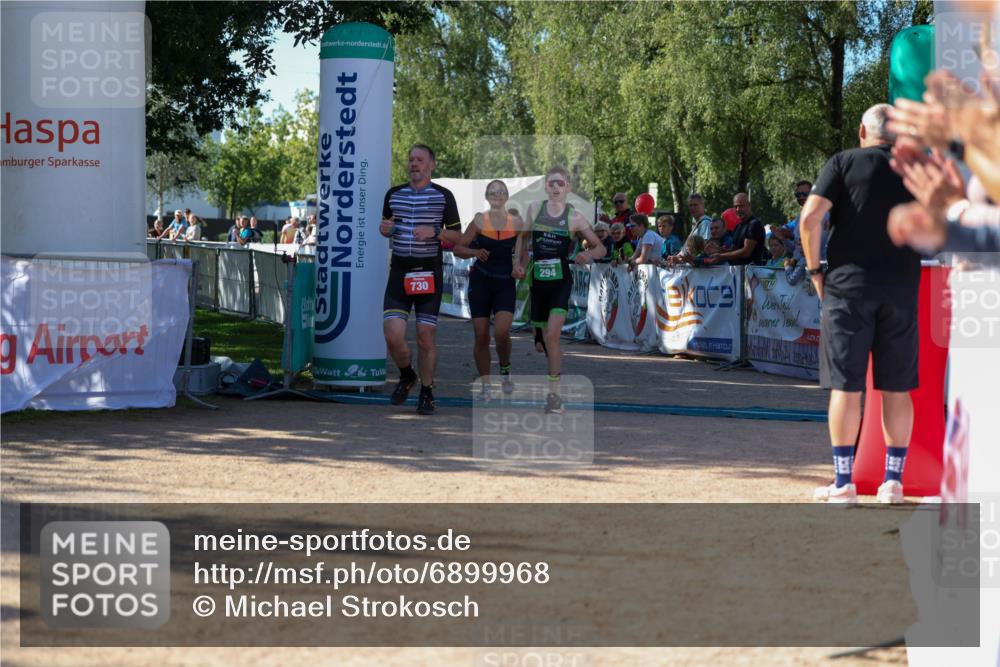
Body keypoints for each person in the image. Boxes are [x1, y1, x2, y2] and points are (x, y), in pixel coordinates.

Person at [800, 103, 921, 504]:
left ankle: (844, 483)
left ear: (862, 131)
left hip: (848, 289)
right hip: (902, 288)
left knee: (846, 387)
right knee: (897, 389)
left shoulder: (842, 162)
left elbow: (809, 219)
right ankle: (893, 483)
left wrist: (815, 271)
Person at [514, 165, 605, 413]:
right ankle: (538, 335)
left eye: (560, 183)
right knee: (542, 343)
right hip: (537, 281)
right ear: (546, 187)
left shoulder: (575, 217)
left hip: (560, 281)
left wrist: (588, 254)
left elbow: (601, 247)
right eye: (551, 183)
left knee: (553, 337)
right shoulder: (535, 209)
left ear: (568, 188)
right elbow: (522, 237)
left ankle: (554, 397)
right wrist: (517, 263)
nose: (555, 187)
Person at [379, 144, 462, 416]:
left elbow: (458, 236)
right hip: (400, 272)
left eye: (420, 159)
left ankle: (427, 391)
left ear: (431, 165)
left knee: (425, 336)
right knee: (392, 336)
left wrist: (436, 231)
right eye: (411, 159)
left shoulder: (444, 196)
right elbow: (386, 228)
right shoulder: (393, 195)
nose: (414, 164)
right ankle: (407, 375)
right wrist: (385, 229)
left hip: (429, 272)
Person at [450, 180, 522, 400]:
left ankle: (505, 367)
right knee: (481, 336)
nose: (497, 195)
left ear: (506, 196)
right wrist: (475, 252)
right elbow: (458, 248)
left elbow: (524, 252)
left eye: (501, 192)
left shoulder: (516, 223)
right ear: (487, 196)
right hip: (481, 281)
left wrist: (520, 267)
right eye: (492, 192)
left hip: (505, 282)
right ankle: (486, 385)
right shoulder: (479, 221)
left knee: (501, 332)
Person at [706, 193, 765, 265]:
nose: (738, 209)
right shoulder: (738, 226)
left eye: (741, 206)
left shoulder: (754, 224)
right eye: (735, 206)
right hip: (738, 270)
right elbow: (733, 250)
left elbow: (746, 252)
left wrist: (721, 256)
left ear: (749, 205)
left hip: (752, 270)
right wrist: (718, 250)